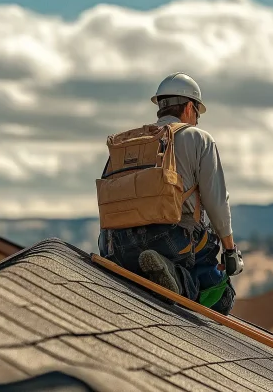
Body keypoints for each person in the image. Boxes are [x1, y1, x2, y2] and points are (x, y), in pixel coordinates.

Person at [97, 72, 244, 315]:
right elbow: (216, 201)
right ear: (189, 107)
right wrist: (229, 250)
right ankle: (174, 277)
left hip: (116, 246)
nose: (196, 121)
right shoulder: (198, 138)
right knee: (222, 295)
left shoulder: (128, 143)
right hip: (169, 241)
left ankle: (149, 271)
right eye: (197, 113)